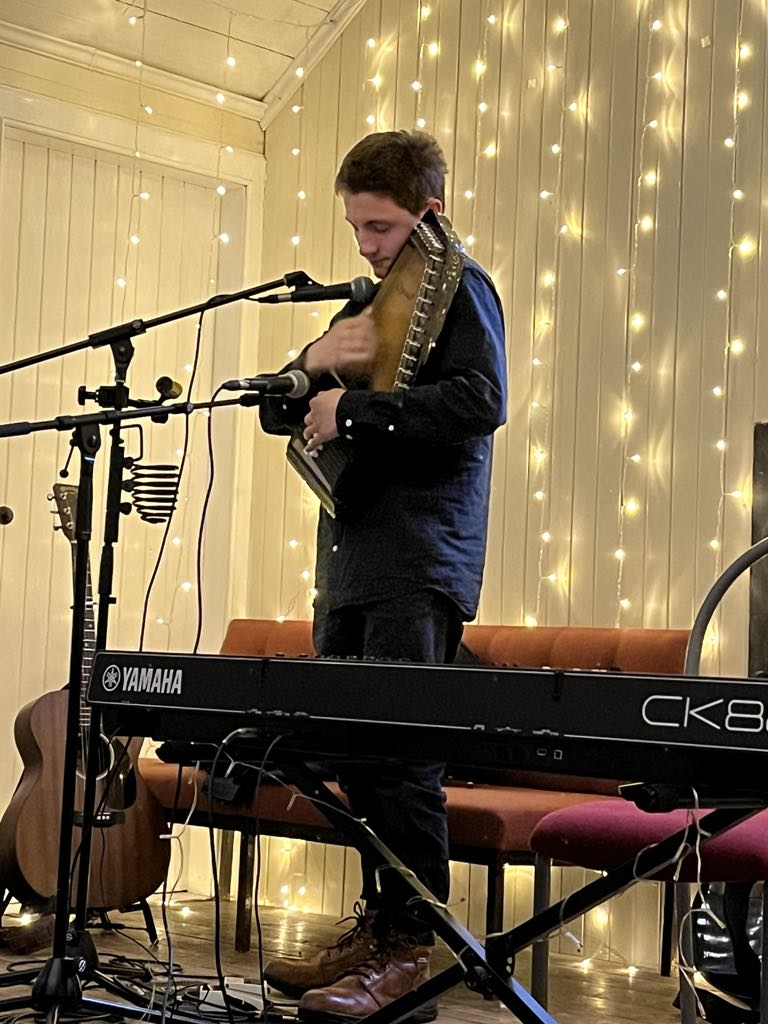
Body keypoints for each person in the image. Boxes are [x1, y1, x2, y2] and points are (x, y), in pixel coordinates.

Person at [258, 130, 507, 1023]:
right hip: (354, 562)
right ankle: (379, 923)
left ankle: (410, 953)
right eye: (357, 226)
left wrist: (353, 408)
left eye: (381, 226)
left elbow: (482, 402)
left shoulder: (461, 286)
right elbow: (282, 406)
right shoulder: (372, 302)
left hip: (419, 559)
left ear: (427, 213)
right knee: (357, 760)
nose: (364, 244)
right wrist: (313, 367)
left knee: (402, 763)